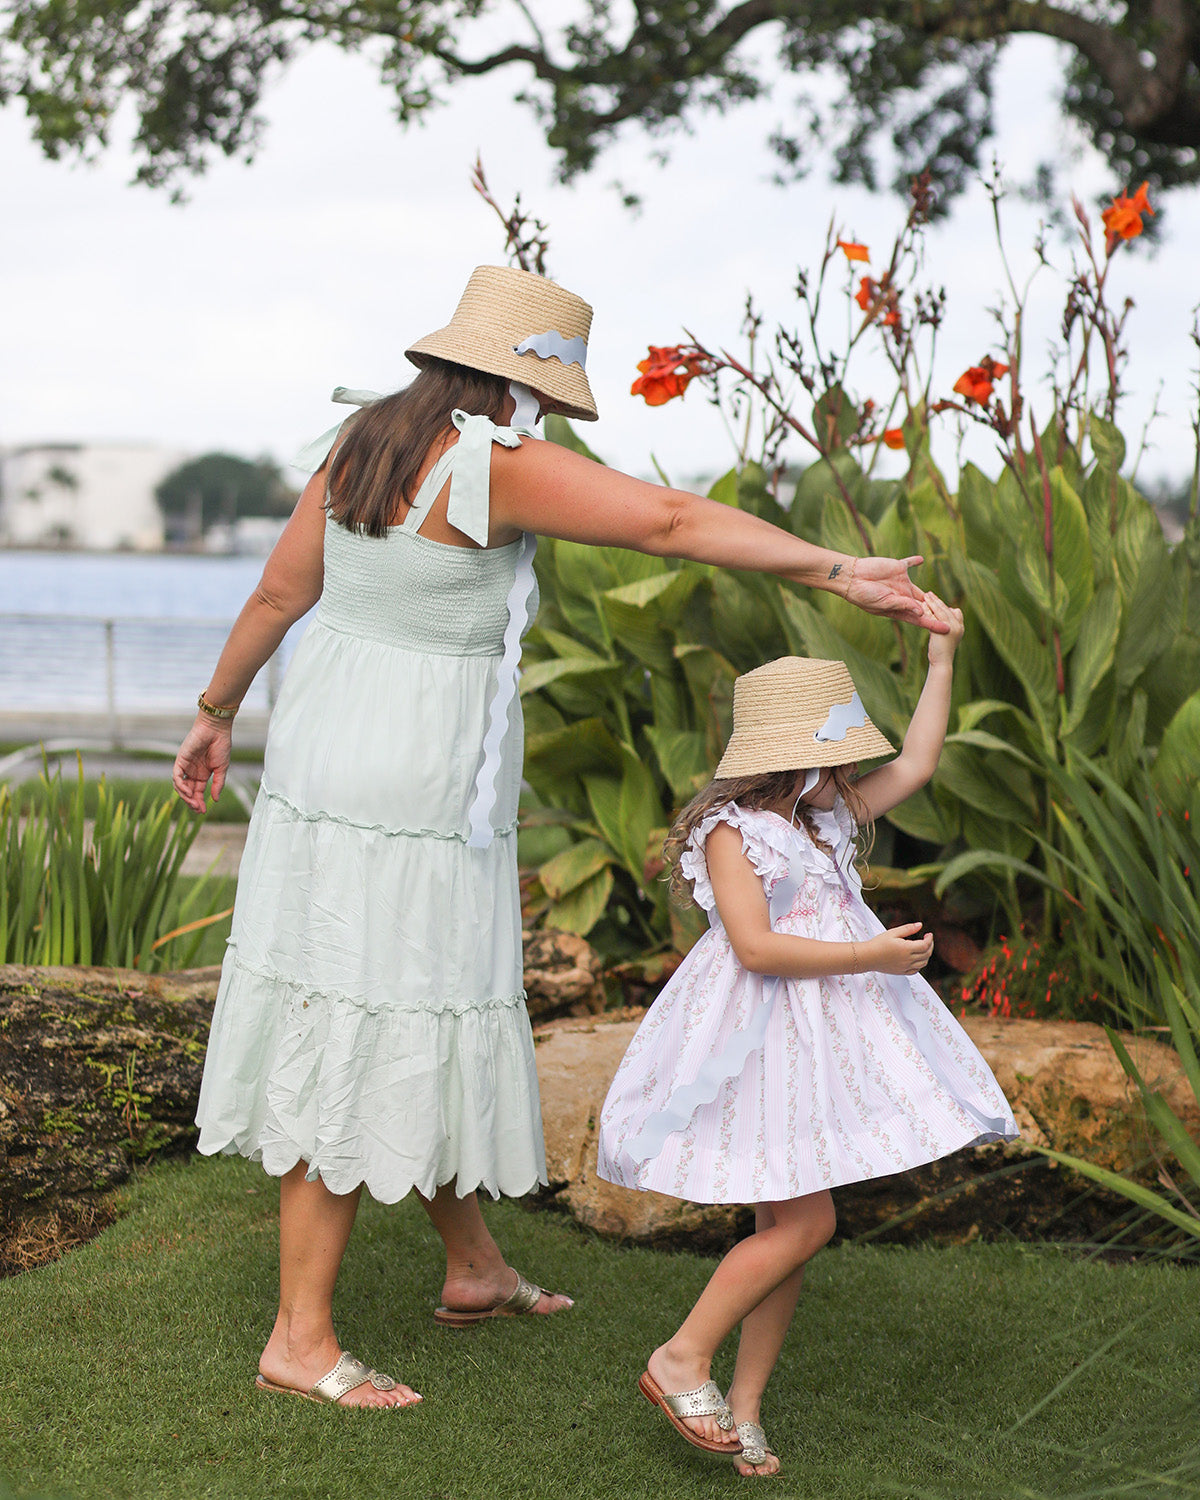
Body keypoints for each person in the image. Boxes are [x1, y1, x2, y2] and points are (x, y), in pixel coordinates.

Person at [173, 263, 955, 1410]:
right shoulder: (489, 463)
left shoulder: (366, 443)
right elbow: (671, 522)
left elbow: (279, 598)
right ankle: (300, 1336)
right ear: (520, 382)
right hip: (412, 782)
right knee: (362, 1013)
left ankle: (475, 1267)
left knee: (412, 995)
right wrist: (840, 569)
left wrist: (214, 713)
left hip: (327, 752)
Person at [597, 620, 1019, 1476]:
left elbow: (921, 763)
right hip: (754, 1037)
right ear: (792, 759)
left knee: (783, 1217)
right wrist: (872, 953)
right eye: (841, 759)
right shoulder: (734, 832)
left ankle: (746, 1405)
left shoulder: (820, 817)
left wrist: (942, 659)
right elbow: (755, 948)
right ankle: (682, 1357)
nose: (857, 775)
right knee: (807, 1220)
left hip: (810, 1048)